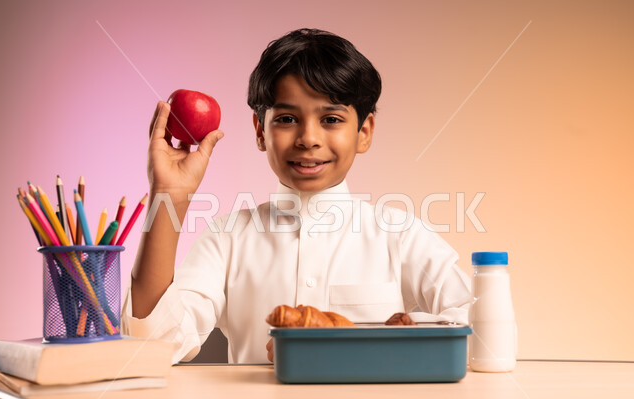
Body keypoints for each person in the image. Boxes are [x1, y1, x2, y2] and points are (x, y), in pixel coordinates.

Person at [121, 28, 472, 364]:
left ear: (364, 133)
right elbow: (154, 346)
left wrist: (366, 352)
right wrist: (169, 194)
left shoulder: (401, 235)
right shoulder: (226, 238)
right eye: (287, 118)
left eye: (331, 119)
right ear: (260, 131)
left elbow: (475, 324)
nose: (308, 138)